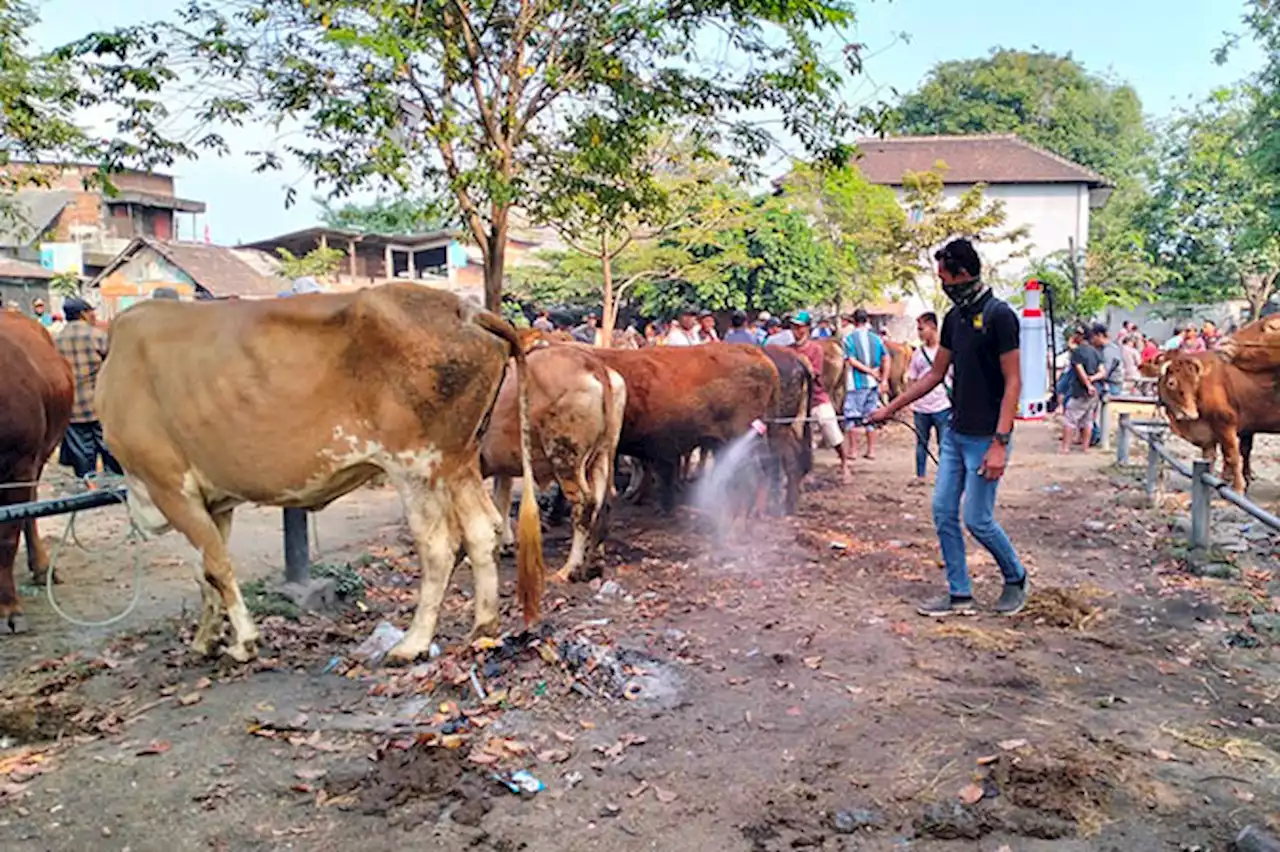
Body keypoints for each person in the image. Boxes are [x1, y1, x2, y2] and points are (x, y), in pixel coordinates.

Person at [869, 238, 1028, 618]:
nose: (942, 283)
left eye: (944, 276)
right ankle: (960, 594)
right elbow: (936, 374)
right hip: (956, 434)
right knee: (942, 512)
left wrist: (1000, 443)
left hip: (987, 437)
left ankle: (1016, 577)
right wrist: (891, 407)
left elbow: (1014, 382)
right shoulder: (954, 319)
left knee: (977, 518)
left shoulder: (1000, 316)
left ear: (963, 273)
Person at [55, 298, 124, 481]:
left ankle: (88, 492)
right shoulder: (97, 336)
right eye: (91, 311)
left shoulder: (55, 340)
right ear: (83, 314)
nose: (94, 315)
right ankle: (114, 490)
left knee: (83, 459)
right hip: (100, 407)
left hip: (71, 409)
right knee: (111, 452)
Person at [790, 311, 849, 477]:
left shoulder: (815, 349)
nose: (796, 331)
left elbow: (814, 372)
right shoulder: (789, 350)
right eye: (794, 327)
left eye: (799, 327)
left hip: (816, 397)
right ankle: (804, 471)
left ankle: (844, 463)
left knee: (831, 429)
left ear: (807, 329)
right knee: (800, 438)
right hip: (796, 402)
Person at [905, 312, 951, 483]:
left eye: (921, 329)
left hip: (942, 405)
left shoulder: (946, 352)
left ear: (933, 327)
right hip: (921, 407)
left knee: (944, 444)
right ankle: (920, 475)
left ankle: (945, 476)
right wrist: (910, 401)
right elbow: (911, 378)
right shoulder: (918, 354)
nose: (919, 333)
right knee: (921, 443)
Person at [841, 308, 888, 460]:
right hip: (873, 384)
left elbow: (851, 360)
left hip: (856, 383)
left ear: (854, 322)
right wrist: (883, 378)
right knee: (871, 417)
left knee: (851, 417)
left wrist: (868, 371)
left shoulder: (848, 338)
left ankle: (853, 451)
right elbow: (886, 358)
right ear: (867, 320)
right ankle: (871, 451)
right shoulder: (876, 339)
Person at [1060, 324, 1105, 454]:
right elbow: (1103, 372)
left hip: (1081, 390)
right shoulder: (1096, 352)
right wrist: (1093, 379)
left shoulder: (1078, 352)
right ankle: (1085, 448)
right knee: (1088, 420)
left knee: (1070, 418)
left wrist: (1087, 384)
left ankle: (1065, 447)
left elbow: (1080, 371)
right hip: (1096, 391)